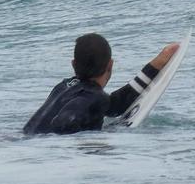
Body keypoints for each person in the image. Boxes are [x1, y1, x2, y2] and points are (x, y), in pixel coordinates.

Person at [23, 33, 179, 135]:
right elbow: (63, 123)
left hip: (26, 136)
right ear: (110, 65)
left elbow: (116, 104)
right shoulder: (97, 98)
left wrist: (157, 63)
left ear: (73, 64)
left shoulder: (63, 86)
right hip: (44, 148)